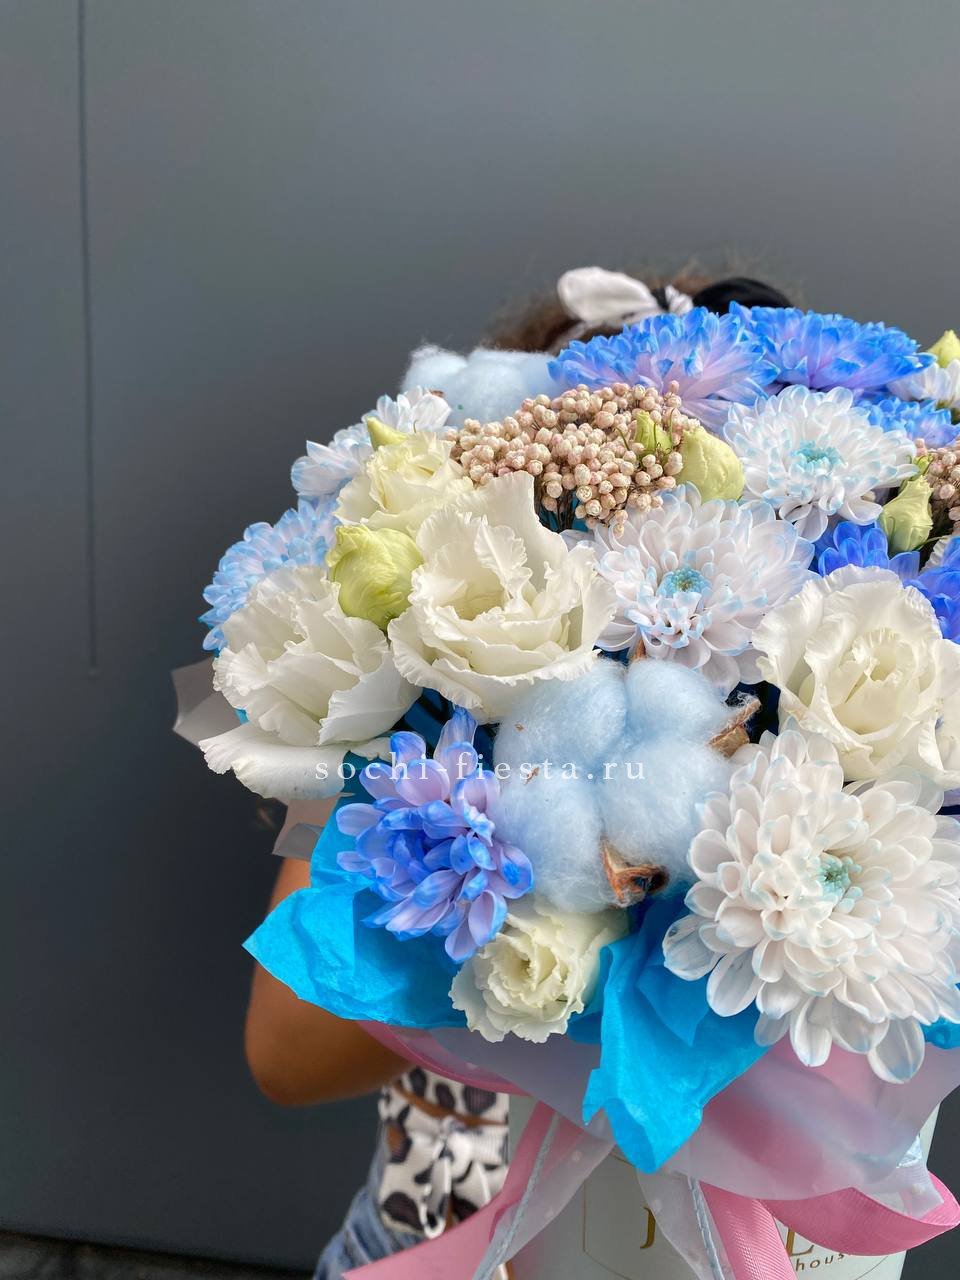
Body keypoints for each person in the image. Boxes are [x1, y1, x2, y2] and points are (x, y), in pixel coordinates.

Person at [243, 265, 793, 1279]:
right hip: (419, 1235)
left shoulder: (780, 745)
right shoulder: (412, 728)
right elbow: (286, 1050)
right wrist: (547, 908)